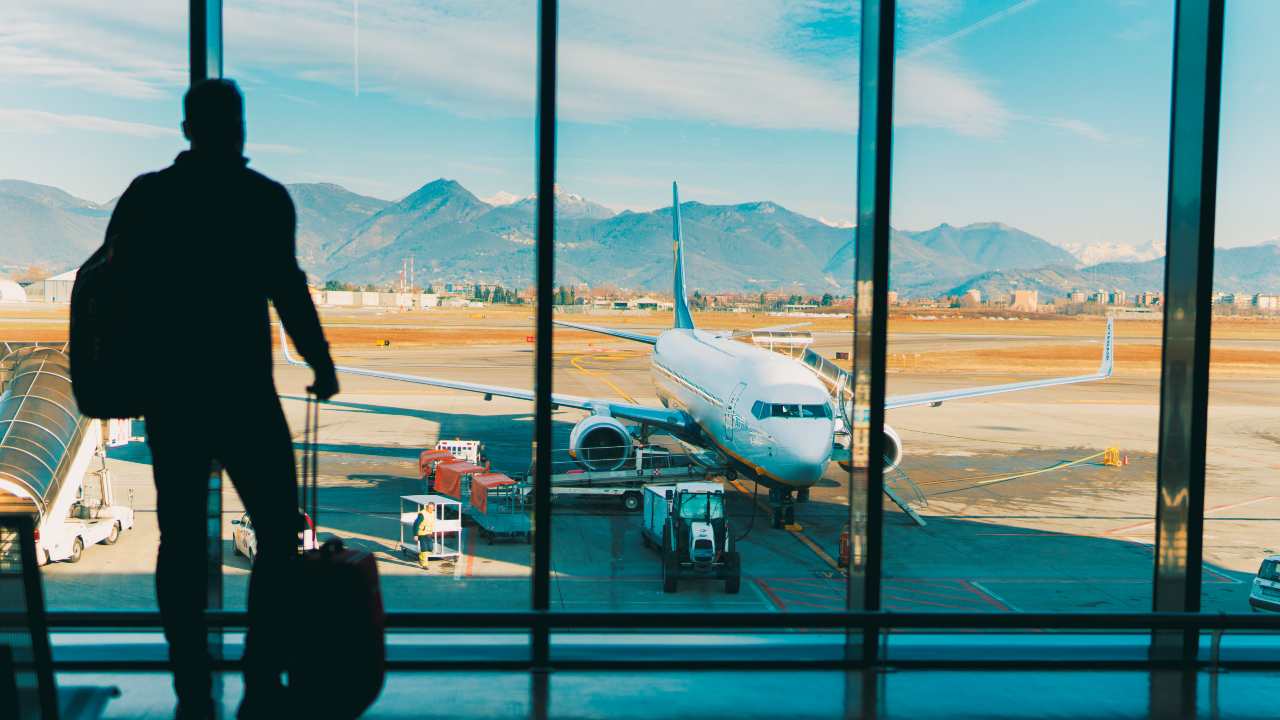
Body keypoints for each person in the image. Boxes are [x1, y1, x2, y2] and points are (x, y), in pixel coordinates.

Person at [105, 78, 339, 719]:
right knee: (279, 535)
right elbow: (288, 288)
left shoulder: (148, 196)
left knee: (180, 544)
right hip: (244, 395)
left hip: (174, 397)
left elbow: (110, 292)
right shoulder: (262, 198)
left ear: (187, 128)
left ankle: (189, 679)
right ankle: (261, 675)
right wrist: (321, 362)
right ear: (241, 128)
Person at [414, 503, 436, 568]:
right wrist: (415, 535)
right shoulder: (422, 514)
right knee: (424, 548)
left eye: (431, 507)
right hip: (422, 533)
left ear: (434, 508)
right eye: (428, 507)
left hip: (429, 533)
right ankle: (424, 564)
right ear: (426, 507)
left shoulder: (433, 513)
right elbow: (416, 524)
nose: (430, 509)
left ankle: (421, 557)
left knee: (430, 548)